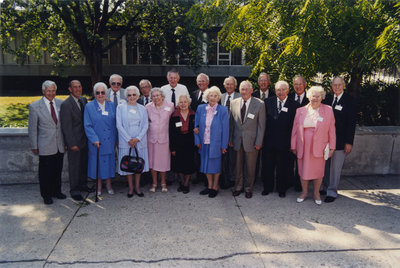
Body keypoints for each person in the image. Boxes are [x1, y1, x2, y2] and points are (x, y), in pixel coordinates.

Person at [291, 86, 336, 205]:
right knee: (303, 170)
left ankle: (316, 193)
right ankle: (304, 192)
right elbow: (295, 130)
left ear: (322, 97)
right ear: (308, 97)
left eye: (318, 96)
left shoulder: (328, 110)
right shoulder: (300, 110)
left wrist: (332, 147)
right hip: (303, 146)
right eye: (313, 96)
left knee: (318, 171)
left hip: (319, 147)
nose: (315, 98)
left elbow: (332, 130)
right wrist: (293, 145)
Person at [28, 80, 66, 205]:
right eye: (48, 91)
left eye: (53, 90)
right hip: (44, 145)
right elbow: (32, 128)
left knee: (57, 170)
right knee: (45, 172)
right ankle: (46, 195)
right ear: (43, 91)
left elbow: (63, 125)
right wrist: (34, 145)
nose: (51, 93)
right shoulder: (35, 106)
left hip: (59, 144)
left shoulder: (61, 104)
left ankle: (57, 191)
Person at [321, 77, 357, 203]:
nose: (337, 87)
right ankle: (325, 187)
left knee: (336, 167)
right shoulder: (328, 99)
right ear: (332, 86)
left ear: (344, 86)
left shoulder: (350, 101)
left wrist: (349, 142)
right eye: (334, 85)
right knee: (326, 165)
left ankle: (332, 192)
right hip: (327, 140)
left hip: (341, 140)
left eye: (339, 85)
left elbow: (351, 123)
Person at [262, 81, 299, 198]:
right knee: (268, 166)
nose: (281, 92)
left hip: (285, 143)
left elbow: (296, 126)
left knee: (283, 167)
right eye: (278, 90)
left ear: (288, 91)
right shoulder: (267, 102)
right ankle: (267, 187)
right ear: (275, 90)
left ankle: (281, 189)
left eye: (283, 89)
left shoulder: (294, 105)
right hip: (269, 142)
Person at [230, 81, 266, 199]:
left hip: (252, 141)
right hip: (237, 140)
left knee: (250, 167)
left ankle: (248, 188)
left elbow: (261, 126)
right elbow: (231, 123)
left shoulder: (259, 104)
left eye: (246, 89)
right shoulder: (233, 103)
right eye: (242, 89)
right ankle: (238, 187)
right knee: (238, 166)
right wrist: (230, 139)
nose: (244, 91)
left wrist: (259, 142)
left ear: (251, 90)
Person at [60, 80, 93, 201]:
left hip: (85, 140)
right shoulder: (66, 105)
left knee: (84, 165)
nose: (78, 89)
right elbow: (66, 127)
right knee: (74, 167)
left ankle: (83, 185)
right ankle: (74, 190)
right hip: (75, 142)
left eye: (80, 86)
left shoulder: (83, 100)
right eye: (75, 87)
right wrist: (71, 143)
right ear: (70, 89)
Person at [195, 86, 229, 198]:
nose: (213, 98)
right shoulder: (200, 108)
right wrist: (197, 141)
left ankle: (215, 187)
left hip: (216, 144)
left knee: (215, 166)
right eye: (211, 95)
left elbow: (225, 129)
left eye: (215, 96)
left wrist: (224, 145)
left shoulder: (223, 110)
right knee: (205, 165)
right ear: (207, 97)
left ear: (219, 97)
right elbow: (196, 127)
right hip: (204, 142)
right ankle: (209, 186)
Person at [84, 82, 117, 196]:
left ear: (106, 93)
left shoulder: (111, 105)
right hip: (97, 142)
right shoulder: (89, 106)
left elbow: (115, 123)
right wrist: (94, 139)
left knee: (108, 163)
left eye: (103, 92)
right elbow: (87, 125)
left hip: (109, 140)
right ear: (94, 93)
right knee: (97, 164)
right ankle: (98, 186)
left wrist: (116, 139)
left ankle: (108, 184)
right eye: (97, 93)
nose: (100, 95)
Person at [116, 86, 149, 198]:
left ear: (137, 95)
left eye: (134, 95)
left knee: (138, 164)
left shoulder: (142, 108)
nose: (131, 97)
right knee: (128, 164)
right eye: (129, 95)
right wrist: (129, 139)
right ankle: (130, 188)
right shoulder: (120, 108)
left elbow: (145, 125)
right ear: (126, 96)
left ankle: (137, 187)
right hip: (126, 141)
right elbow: (119, 125)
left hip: (139, 141)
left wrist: (137, 138)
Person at [146, 88, 175, 193]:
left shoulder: (170, 106)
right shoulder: (148, 107)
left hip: (164, 139)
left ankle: (163, 182)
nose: (156, 98)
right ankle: (154, 183)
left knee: (163, 162)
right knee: (152, 162)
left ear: (162, 96)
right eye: (153, 96)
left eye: (158, 95)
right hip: (152, 139)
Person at [169, 94, 196, 194]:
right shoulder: (174, 115)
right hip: (178, 142)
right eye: (181, 102)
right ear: (178, 104)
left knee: (189, 163)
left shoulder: (194, 114)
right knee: (179, 163)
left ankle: (186, 183)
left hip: (190, 142)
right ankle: (182, 180)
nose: (183, 104)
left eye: (185, 102)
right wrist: (172, 148)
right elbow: (171, 133)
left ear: (189, 103)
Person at [288, 75, 310, 192]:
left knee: (302, 162)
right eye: (295, 84)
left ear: (305, 85)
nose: (298, 86)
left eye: (300, 84)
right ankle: (289, 182)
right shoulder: (289, 97)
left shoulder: (310, 98)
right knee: (289, 161)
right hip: (290, 135)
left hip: (305, 137)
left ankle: (299, 184)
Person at [220, 76, 241, 189]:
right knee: (223, 158)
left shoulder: (240, 96)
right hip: (222, 132)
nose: (229, 86)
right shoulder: (220, 97)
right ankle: (224, 178)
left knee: (233, 158)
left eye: (231, 84)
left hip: (235, 132)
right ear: (224, 85)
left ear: (235, 86)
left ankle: (233, 179)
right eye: (227, 84)